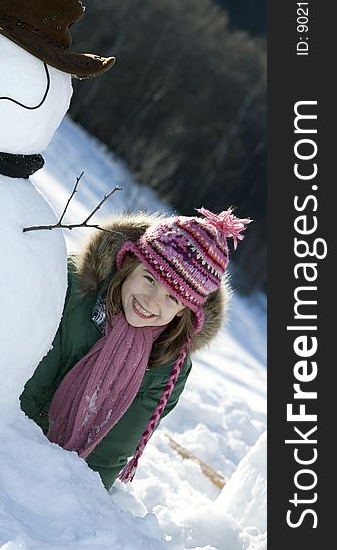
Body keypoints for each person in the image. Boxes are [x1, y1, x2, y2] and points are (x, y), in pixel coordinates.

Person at [20, 207, 251, 490]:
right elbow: (23, 388)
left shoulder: (168, 370)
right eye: (149, 279)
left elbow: (107, 457)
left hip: (56, 478)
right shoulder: (72, 290)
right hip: (5, 430)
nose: (152, 302)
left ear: (183, 312)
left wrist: (70, 497)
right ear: (129, 262)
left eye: (172, 298)